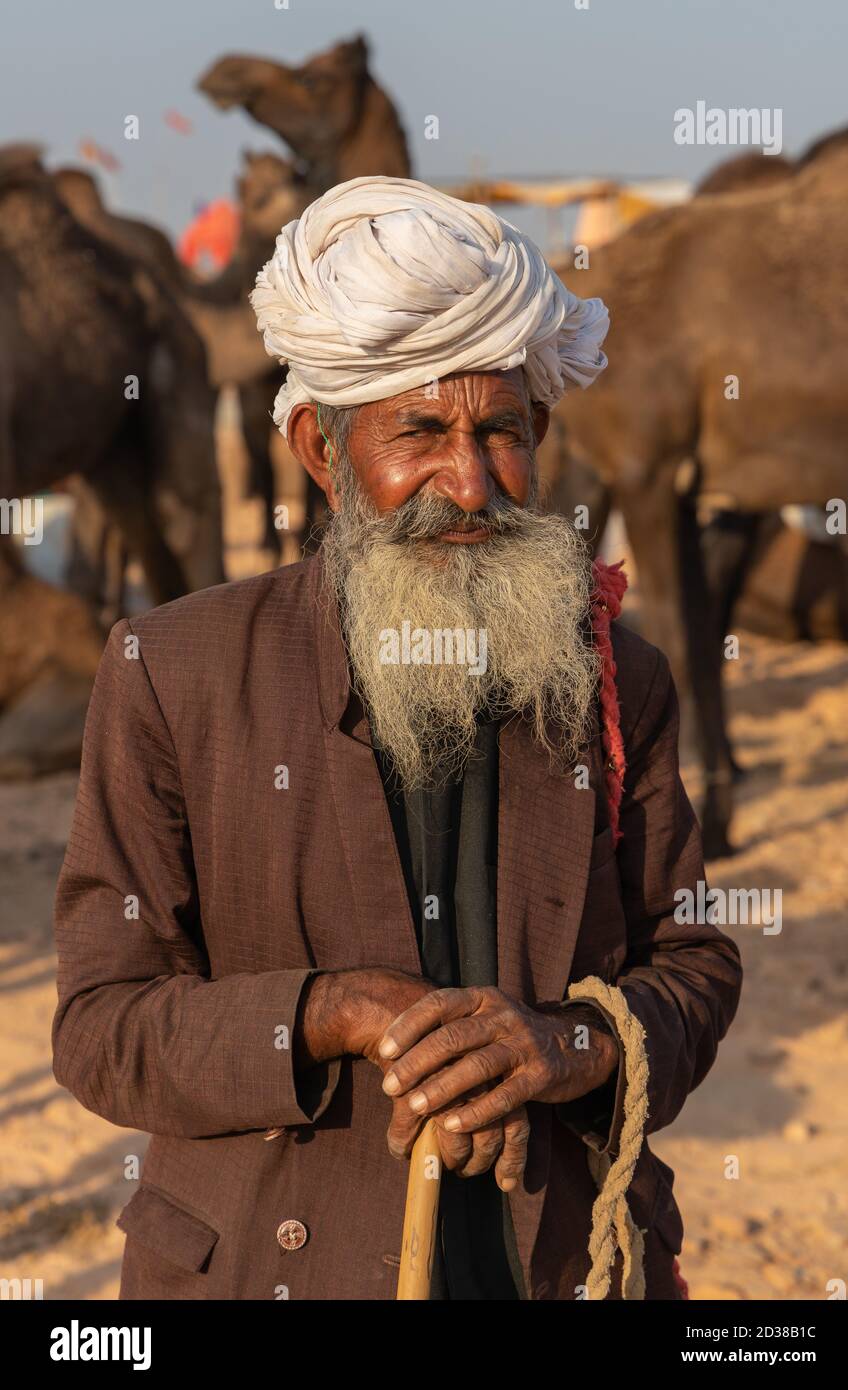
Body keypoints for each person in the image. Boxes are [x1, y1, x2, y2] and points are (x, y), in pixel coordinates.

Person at [52, 177, 742, 1300]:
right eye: (417, 430)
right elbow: (100, 1026)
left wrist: (569, 1045)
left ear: (541, 436)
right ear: (319, 451)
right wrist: (330, 1010)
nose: (466, 483)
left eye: (499, 433)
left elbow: (697, 960)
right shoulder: (173, 674)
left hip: (552, 1260)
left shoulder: (616, 675)